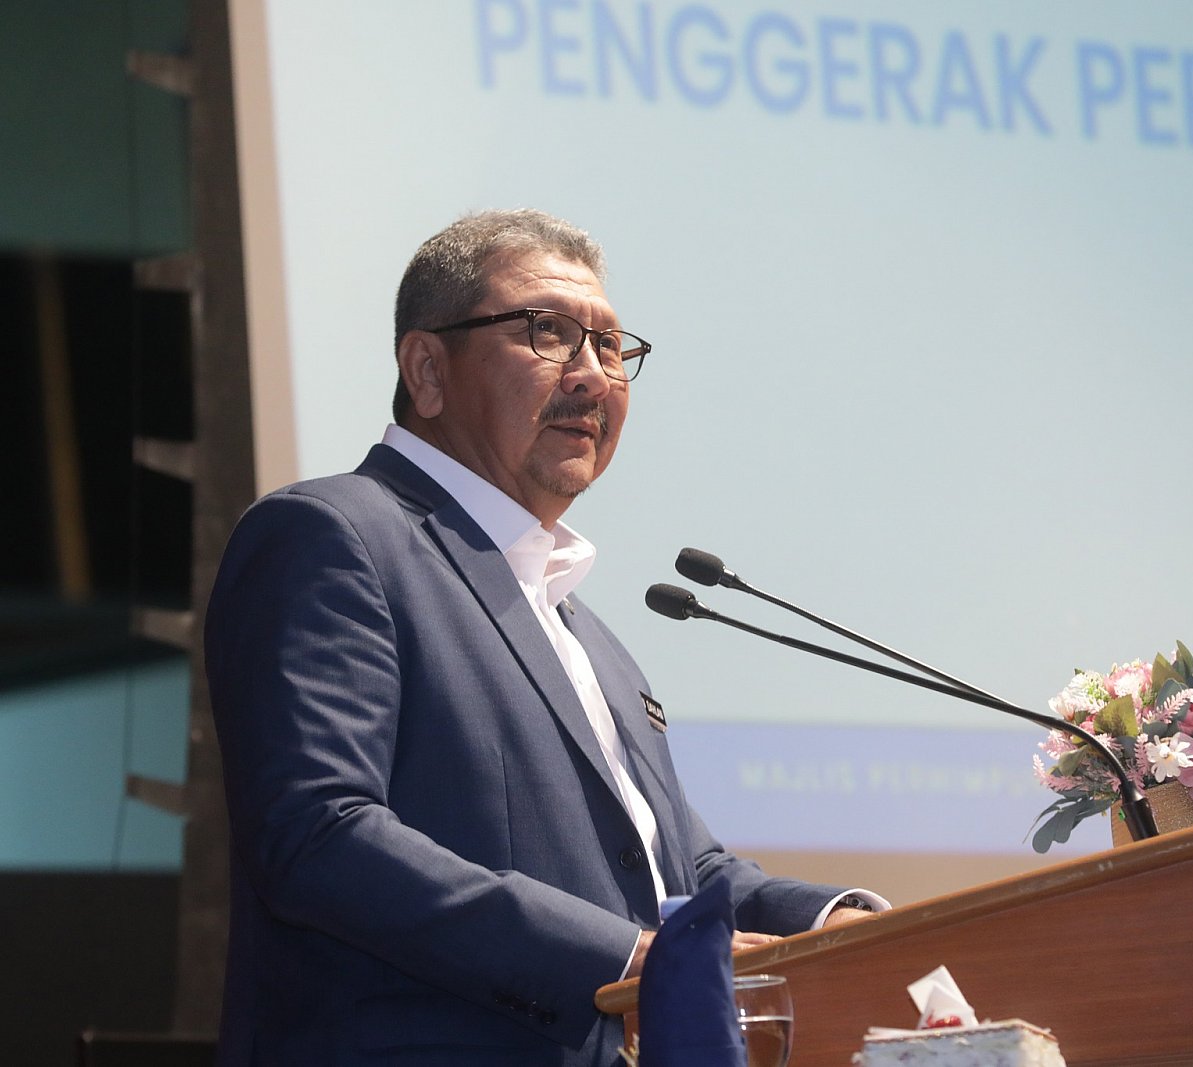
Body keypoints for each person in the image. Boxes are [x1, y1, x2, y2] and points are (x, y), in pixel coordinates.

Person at [205, 209, 882, 1066]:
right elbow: (318, 833)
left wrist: (844, 923)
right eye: (549, 332)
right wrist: (619, 958)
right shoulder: (333, 536)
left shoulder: (592, 638)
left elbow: (685, 874)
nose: (594, 376)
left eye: (611, 347)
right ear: (427, 370)